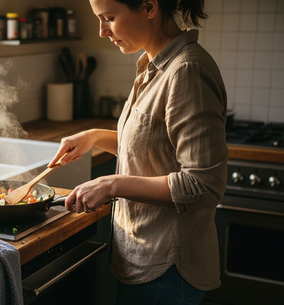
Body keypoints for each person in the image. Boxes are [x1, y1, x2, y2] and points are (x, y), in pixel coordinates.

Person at [48, 0, 228, 304]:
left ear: (148, 6)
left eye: (109, 18)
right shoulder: (153, 63)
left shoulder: (186, 70)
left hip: (167, 267)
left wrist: (112, 184)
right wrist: (94, 137)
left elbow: (203, 184)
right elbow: (154, 147)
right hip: (143, 257)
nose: (102, 32)